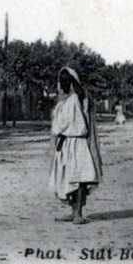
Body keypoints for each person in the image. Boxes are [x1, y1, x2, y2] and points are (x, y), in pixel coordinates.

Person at [49, 67, 103, 225]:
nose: (58, 85)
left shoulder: (74, 100)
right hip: (67, 143)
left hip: (77, 143)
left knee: (79, 178)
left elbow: (63, 123)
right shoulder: (70, 100)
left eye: (60, 82)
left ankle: (78, 213)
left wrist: (56, 129)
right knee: (69, 177)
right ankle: (74, 212)